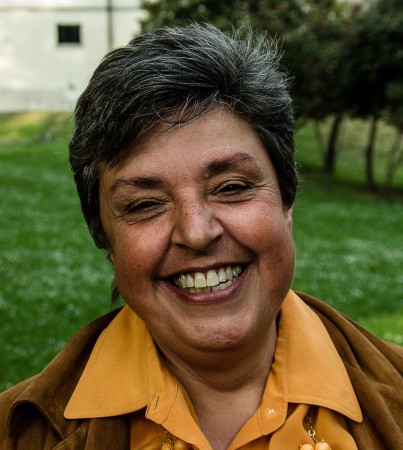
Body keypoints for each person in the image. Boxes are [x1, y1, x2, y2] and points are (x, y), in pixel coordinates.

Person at [0, 23, 402, 450]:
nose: (196, 233)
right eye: (145, 204)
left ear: (287, 200)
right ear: (105, 239)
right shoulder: (18, 433)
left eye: (231, 187)